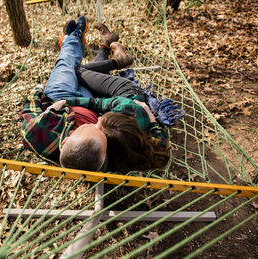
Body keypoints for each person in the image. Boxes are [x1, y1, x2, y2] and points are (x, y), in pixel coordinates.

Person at [20, 16, 169, 172]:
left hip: (57, 96)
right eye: (99, 129)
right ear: (105, 156)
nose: (97, 120)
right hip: (97, 99)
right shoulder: (111, 155)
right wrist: (151, 118)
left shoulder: (37, 135)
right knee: (76, 68)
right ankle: (80, 42)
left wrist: (39, 91)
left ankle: (75, 41)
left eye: (91, 126)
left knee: (67, 64)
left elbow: (29, 110)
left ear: (65, 141)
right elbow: (160, 146)